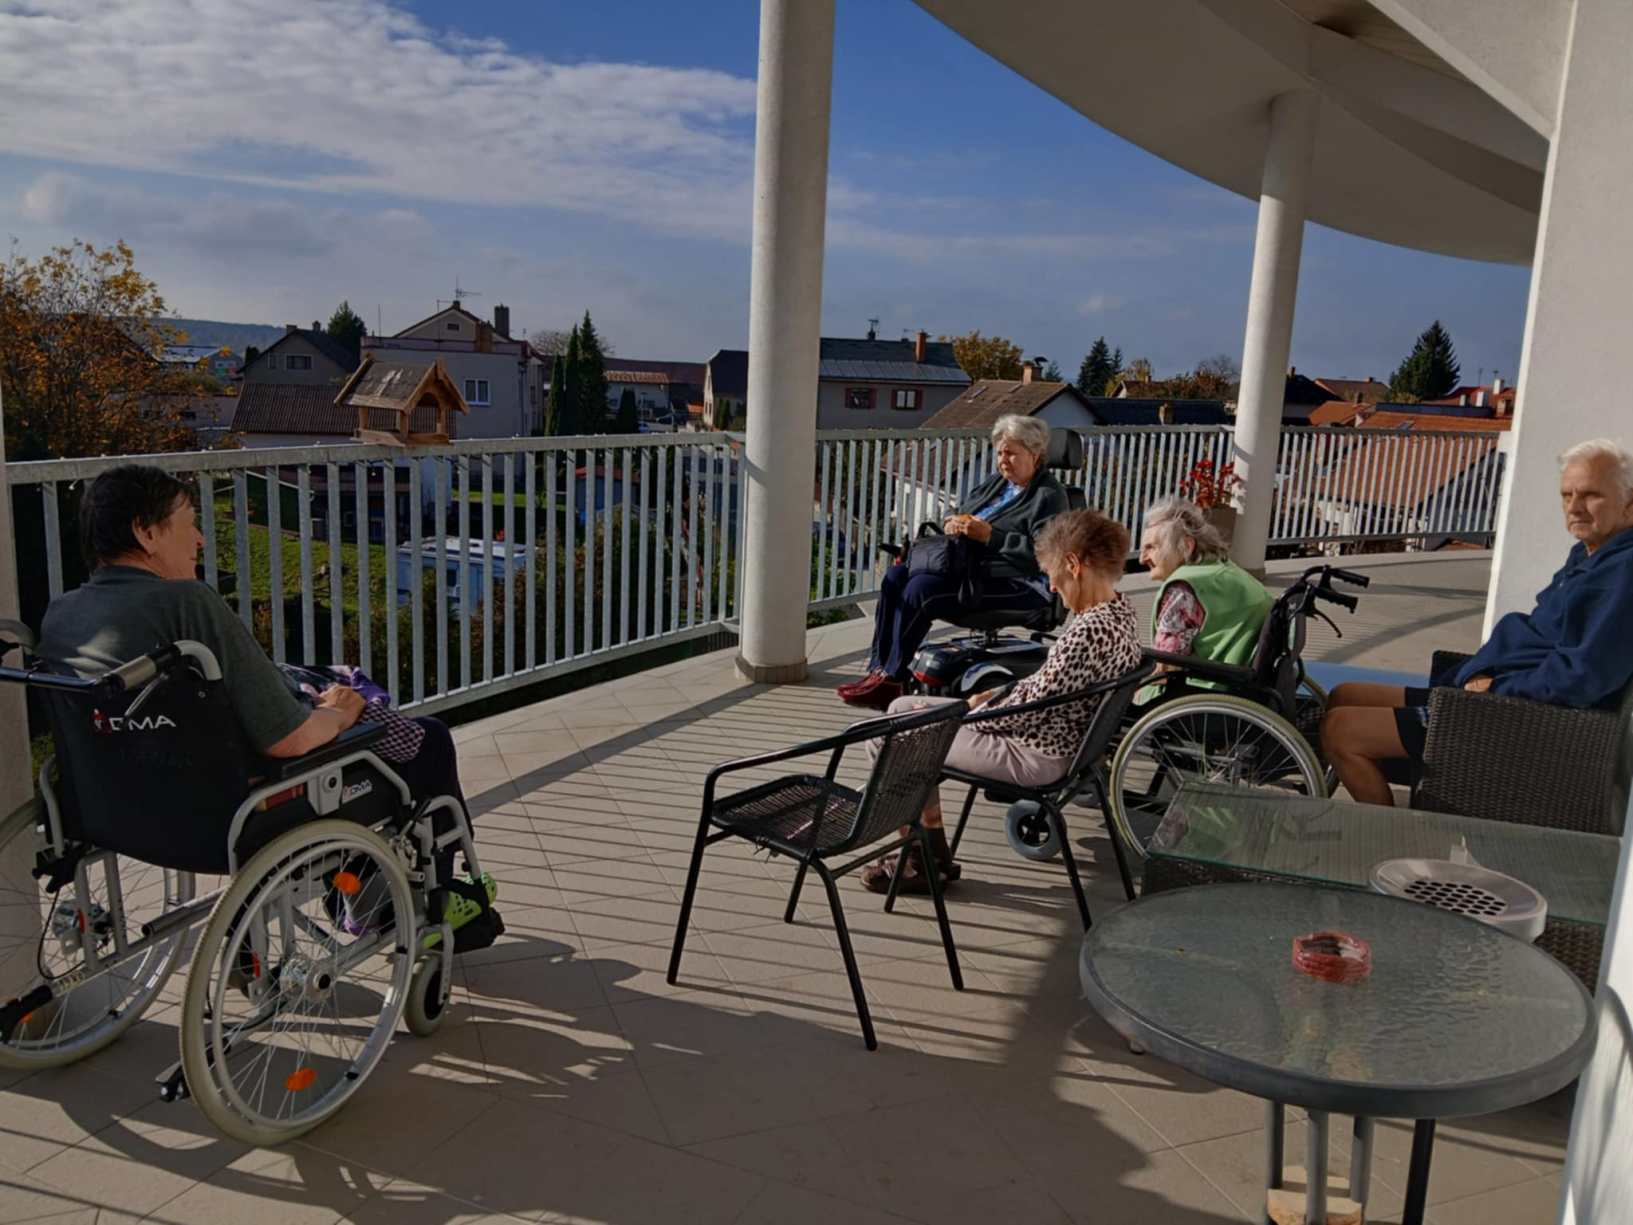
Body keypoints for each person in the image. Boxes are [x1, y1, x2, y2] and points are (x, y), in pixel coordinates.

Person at [37, 464, 466, 821]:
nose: (201, 539)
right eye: (190, 523)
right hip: (224, 808)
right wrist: (340, 711)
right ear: (146, 533)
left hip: (119, 806)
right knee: (428, 740)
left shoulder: (62, 613)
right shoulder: (185, 601)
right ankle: (444, 885)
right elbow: (289, 739)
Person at [1322, 438, 1633, 805]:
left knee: (1341, 732)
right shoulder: (1590, 554)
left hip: (1515, 719)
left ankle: (1384, 830)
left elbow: (1580, 677)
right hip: (1498, 695)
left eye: (1591, 495)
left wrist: (1500, 687)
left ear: (1628, 504)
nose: (1575, 507)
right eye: (1567, 495)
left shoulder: (1621, 574)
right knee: (1344, 694)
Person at [859, 508, 1143, 894]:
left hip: (1036, 754)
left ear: (1074, 565)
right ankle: (928, 854)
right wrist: (991, 696)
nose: (1052, 587)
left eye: (1052, 575)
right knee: (900, 709)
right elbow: (1045, 691)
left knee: (892, 734)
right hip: (1064, 742)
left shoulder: (1087, 633)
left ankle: (921, 858)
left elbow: (1029, 711)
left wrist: (965, 711)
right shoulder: (1121, 615)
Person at [840, 414, 1068, 710]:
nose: (1003, 460)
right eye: (1000, 453)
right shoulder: (997, 484)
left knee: (921, 590)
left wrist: (991, 537)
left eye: (1011, 453)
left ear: (1035, 455)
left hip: (1017, 582)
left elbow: (1047, 556)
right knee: (895, 577)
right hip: (972, 570)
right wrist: (952, 521)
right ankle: (879, 671)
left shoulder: (1049, 496)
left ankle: (894, 679)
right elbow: (960, 509)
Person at [1138, 496, 1270, 680]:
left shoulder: (1183, 590)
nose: (1141, 559)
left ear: (1186, 546)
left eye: (1151, 547)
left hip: (1208, 686)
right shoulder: (1225, 570)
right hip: (1246, 677)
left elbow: (1163, 670)